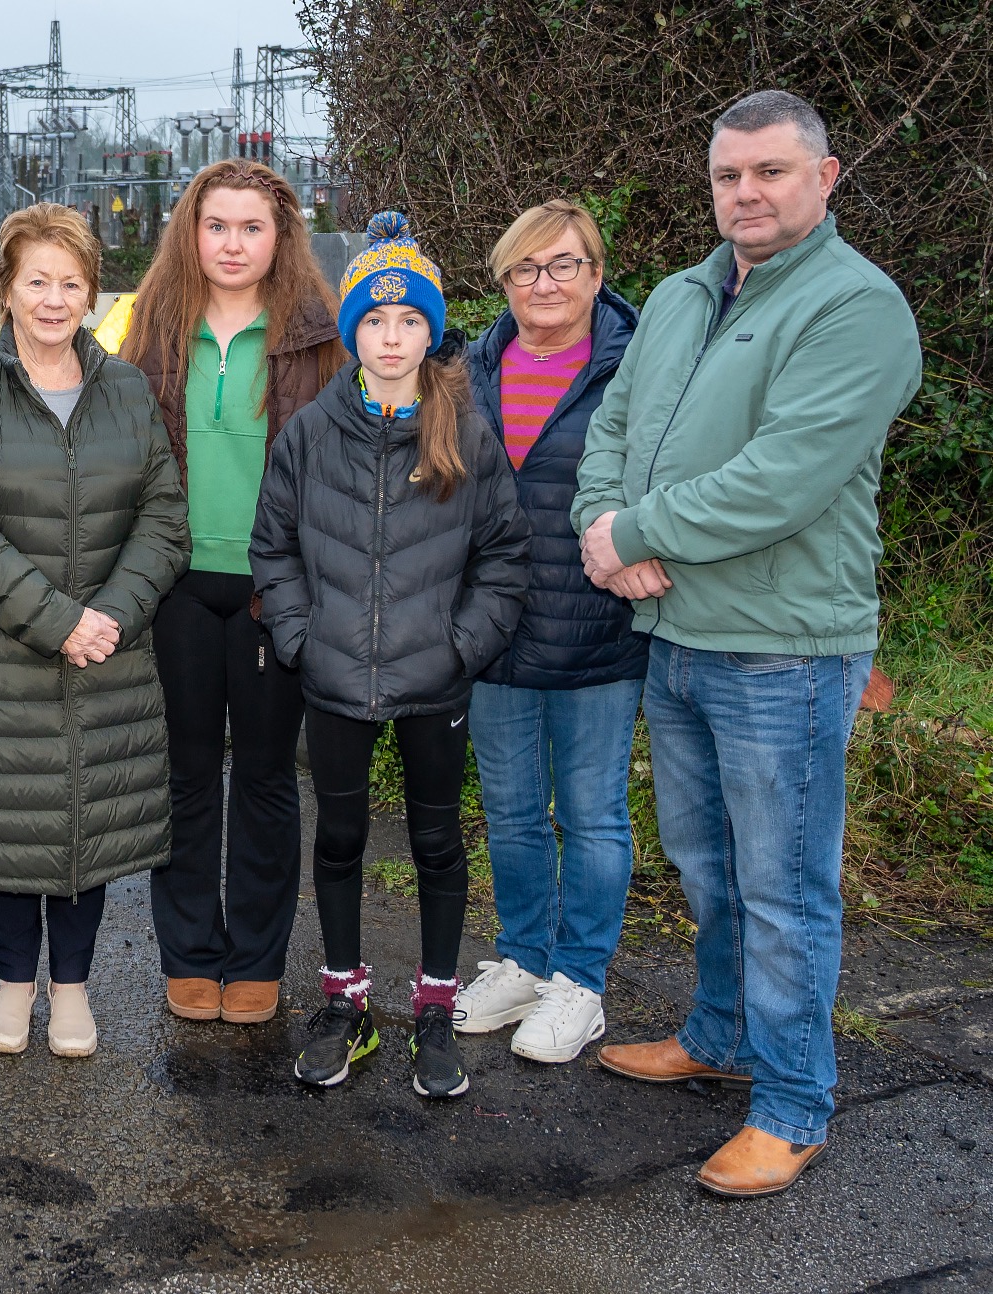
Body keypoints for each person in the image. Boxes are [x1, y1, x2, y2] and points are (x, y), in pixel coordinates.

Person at [573, 90, 921, 1197]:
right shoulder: (680, 294)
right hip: (675, 637)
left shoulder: (858, 308)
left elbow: (783, 478)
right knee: (709, 867)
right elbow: (614, 427)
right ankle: (719, 1037)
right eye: (730, 176)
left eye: (771, 172)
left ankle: (792, 1102)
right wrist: (600, 529)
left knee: (782, 887)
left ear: (825, 179)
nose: (747, 193)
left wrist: (636, 529)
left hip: (783, 649)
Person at [250, 211, 530, 1098]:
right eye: (374, 320)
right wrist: (300, 638)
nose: (392, 336)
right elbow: (274, 547)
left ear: (431, 332)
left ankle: (436, 1007)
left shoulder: (464, 433)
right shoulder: (309, 432)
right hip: (331, 677)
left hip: (431, 681)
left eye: (410, 321)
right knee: (335, 839)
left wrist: (461, 647)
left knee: (436, 843)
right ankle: (345, 1003)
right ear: (352, 332)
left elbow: (503, 557)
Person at [0, 203, 189, 1058]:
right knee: (12, 823)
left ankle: (70, 989)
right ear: (5, 288)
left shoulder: (124, 388)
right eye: (35, 280)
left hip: (107, 648)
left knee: (84, 825)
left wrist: (107, 617)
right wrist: (58, 621)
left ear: (92, 293)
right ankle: (10, 985)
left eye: (70, 282)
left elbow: (164, 516)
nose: (52, 298)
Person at [122, 159, 346, 1027]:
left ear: (280, 237)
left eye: (251, 227)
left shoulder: (316, 339)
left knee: (261, 777)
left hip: (273, 591)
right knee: (182, 775)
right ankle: (189, 955)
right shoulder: (153, 329)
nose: (232, 243)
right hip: (176, 585)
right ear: (191, 232)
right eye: (216, 225)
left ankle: (254, 960)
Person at [454, 200, 649, 1063]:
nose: (544, 283)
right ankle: (526, 962)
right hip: (495, 632)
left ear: (596, 273)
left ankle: (580, 983)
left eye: (563, 265)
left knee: (593, 815)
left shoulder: (636, 368)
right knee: (509, 815)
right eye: (524, 269)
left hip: (596, 631)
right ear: (502, 282)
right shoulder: (471, 369)